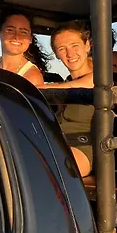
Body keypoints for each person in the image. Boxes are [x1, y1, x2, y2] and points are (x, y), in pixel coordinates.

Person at [39, 20, 94, 177]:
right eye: (62, 49)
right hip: (54, 142)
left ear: (87, 45)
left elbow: (82, 85)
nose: (70, 54)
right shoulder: (65, 82)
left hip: (83, 147)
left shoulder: (100, 77)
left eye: (75, 46)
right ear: (56, 54)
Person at [0, 9, 51, 85]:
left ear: (30, 38)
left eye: (23, 32)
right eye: (10, 30)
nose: (16, 37)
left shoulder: (32, 77)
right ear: (0, 33)